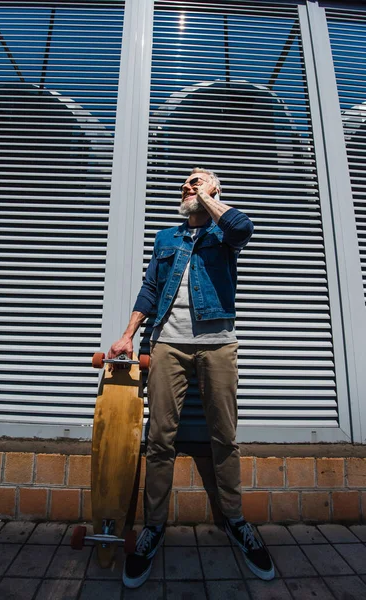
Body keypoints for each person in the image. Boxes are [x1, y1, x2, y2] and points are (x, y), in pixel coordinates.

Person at [107, 168, 275, 588]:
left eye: (197, 181)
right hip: (166, 343)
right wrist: (128, 336)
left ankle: (235, 521)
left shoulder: (224, 232)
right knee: (161, 437)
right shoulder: (167, 238)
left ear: (215, 189)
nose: (188, 185)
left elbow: (243, 227)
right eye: (185, 182)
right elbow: (150, 288)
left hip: (219, 343)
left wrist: (210, 197)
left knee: (225, 436)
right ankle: (153, 528)